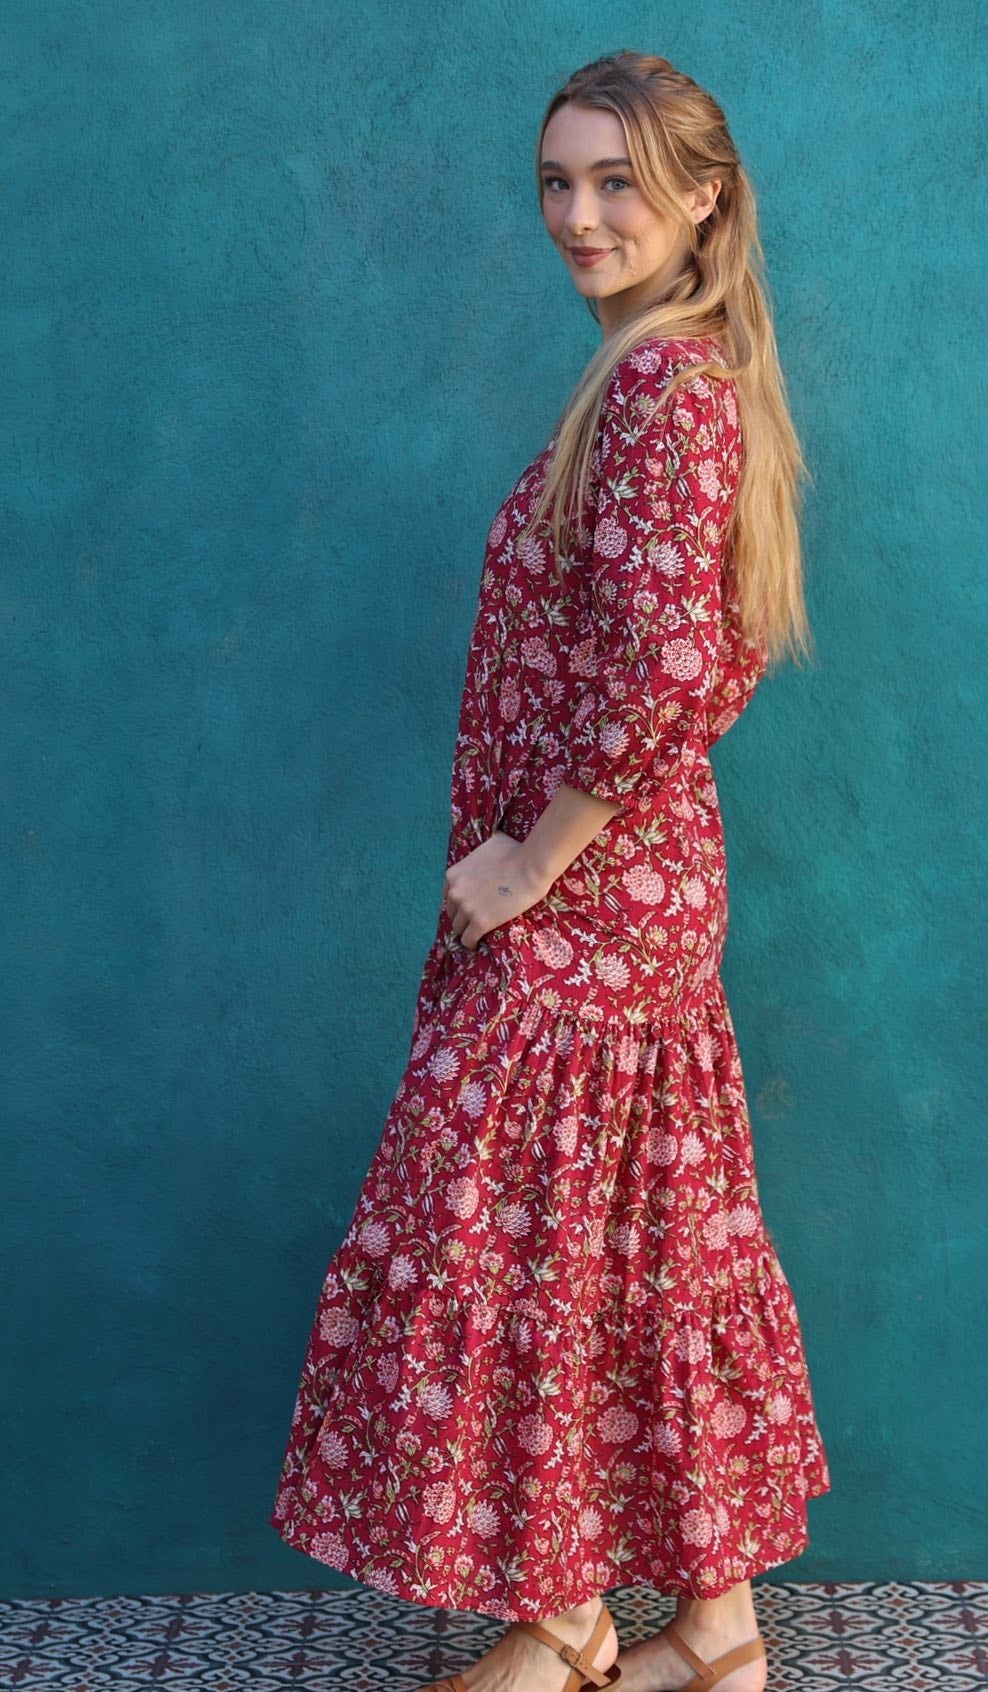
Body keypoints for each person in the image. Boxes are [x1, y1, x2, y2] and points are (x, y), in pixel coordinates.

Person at [269, 49, 830, 1692]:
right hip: (637, 891)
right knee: (630, 1243)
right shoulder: (673, 372)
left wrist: (528, 859)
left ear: (702, 197)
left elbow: (666, 670)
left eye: (617, 182)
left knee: (519, 1237)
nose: (581, 216)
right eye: (558, 184)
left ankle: (579, 1613)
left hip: (595, 898)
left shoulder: (665, 390)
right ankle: (704, 1634)